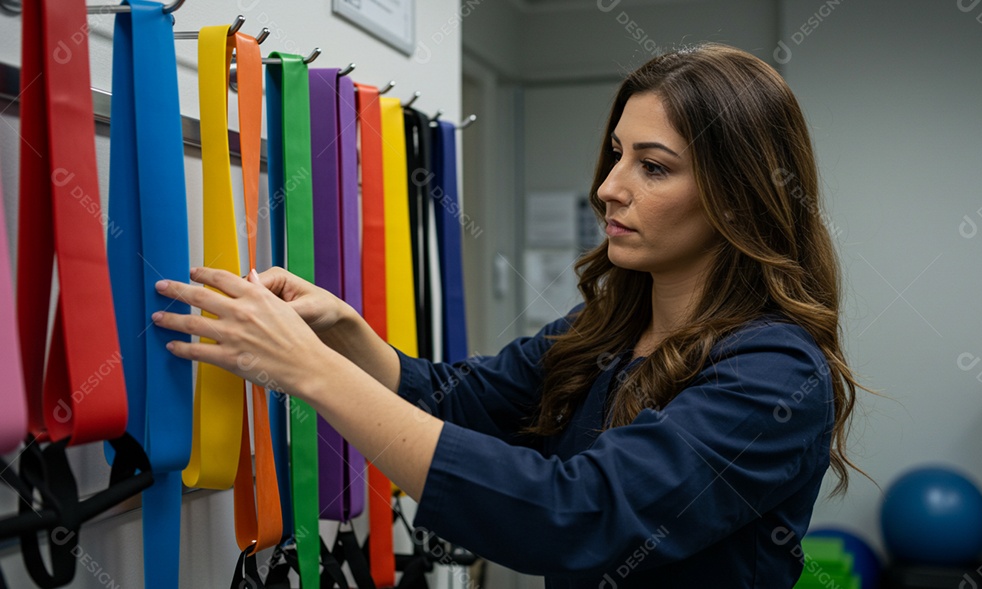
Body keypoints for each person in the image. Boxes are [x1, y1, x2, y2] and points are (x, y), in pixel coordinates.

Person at [153, 43, 863, 588]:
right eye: (616, 154)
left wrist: (310, 372)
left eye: (653, 166)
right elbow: (461, 401)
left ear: (737, 196)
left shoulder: (776, 374)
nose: (608, 187)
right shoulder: (605, 329)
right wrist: (345, 336)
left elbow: (574, 514)